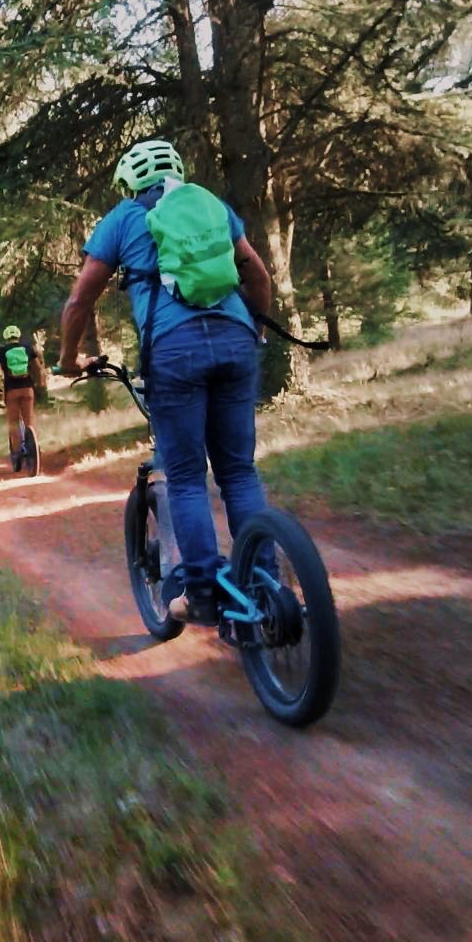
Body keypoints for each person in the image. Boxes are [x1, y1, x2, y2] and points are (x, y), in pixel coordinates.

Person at [57, 138, 276, 624]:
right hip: (237, 339)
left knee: (184, 476)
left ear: (127, 184)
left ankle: (201, 593)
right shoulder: (210, 204)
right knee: (239, 472)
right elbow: (256, 274)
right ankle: (265, 586)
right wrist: (253, 333)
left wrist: (68, 361)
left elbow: (78, 303)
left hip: (174, 350)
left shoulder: (121, 219)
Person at [0, 326, 42, 472]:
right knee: (29, 420)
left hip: (11, 390)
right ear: (18, 335)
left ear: (6, 336)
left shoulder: (1, 351)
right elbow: (38, 368)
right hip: (27, 389)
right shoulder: (27, 348)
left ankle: (17, 453)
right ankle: (35, 448)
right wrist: (41, 382)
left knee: (13, 422)